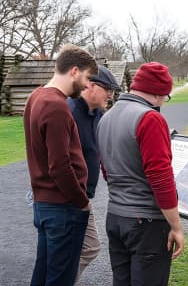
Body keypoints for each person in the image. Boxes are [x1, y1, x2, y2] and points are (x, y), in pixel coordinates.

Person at [97, 62, 184, 286]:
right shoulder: (150, 118)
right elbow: (160, 176)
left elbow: (106, 168)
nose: (164, 101)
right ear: (157, 92)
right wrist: (176, 226)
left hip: (115, 216)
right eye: (165, 96)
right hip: (147, 223)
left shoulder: (106, 117)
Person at [23, 44, 98, 286]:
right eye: (87, 78)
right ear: (74, 71)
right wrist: (82, 201)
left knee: (43, 275)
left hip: (45, 205)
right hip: (63, 209)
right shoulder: (56, 106)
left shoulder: (36, 96)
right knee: (60, 280)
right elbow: (60, 166)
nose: (88, 85)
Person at [67, 64, 120, 279]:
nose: (110, 94)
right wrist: (78, 198)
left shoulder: (98, 114)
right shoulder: (68, 113)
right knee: (84, 248)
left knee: (78, 250)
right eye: (107, 88)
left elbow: (99, 153)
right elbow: (60, 163)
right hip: (68, 198)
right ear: (89, 84)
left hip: (81, 196)